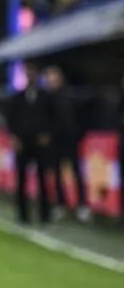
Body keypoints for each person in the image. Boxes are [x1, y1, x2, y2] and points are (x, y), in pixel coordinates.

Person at [5, 63, 54, 225]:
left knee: (42, 179)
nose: (30, 76)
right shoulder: (17, 97)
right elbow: (10, 120)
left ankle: (44, 215)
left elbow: (53, 118)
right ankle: (22, 215)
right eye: (28, 73)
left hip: (40, 142)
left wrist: (47, 134)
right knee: (21, 179)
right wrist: (14, 137)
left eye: (33, 72)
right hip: (22, 142)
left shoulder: (46, 97)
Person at [43, 66, 91, 222]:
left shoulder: (71, 96)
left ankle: (83, 205)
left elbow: (82, 116)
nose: (53, 82)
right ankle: (60, 204)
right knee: (56, 174)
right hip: (54, 141)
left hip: (70, 140)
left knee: (77, 172)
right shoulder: (46, 98)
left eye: (55, 78)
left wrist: (79, 133)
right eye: (50, 79)